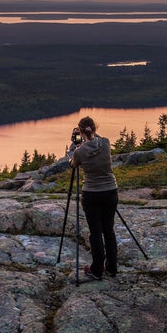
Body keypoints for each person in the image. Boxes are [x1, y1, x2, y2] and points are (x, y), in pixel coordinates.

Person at [69, 116, 118, 280]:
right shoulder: (106, 142)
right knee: (108, 229)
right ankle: (112, 267)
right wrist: (87, 136)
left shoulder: (80, 151)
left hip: (91, 194)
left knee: (95, 232)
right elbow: (95, 141)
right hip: (111, 191)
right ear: (95, 129)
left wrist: (75, 147)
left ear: (81, 131)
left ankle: (97, 269)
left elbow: (73, 164)